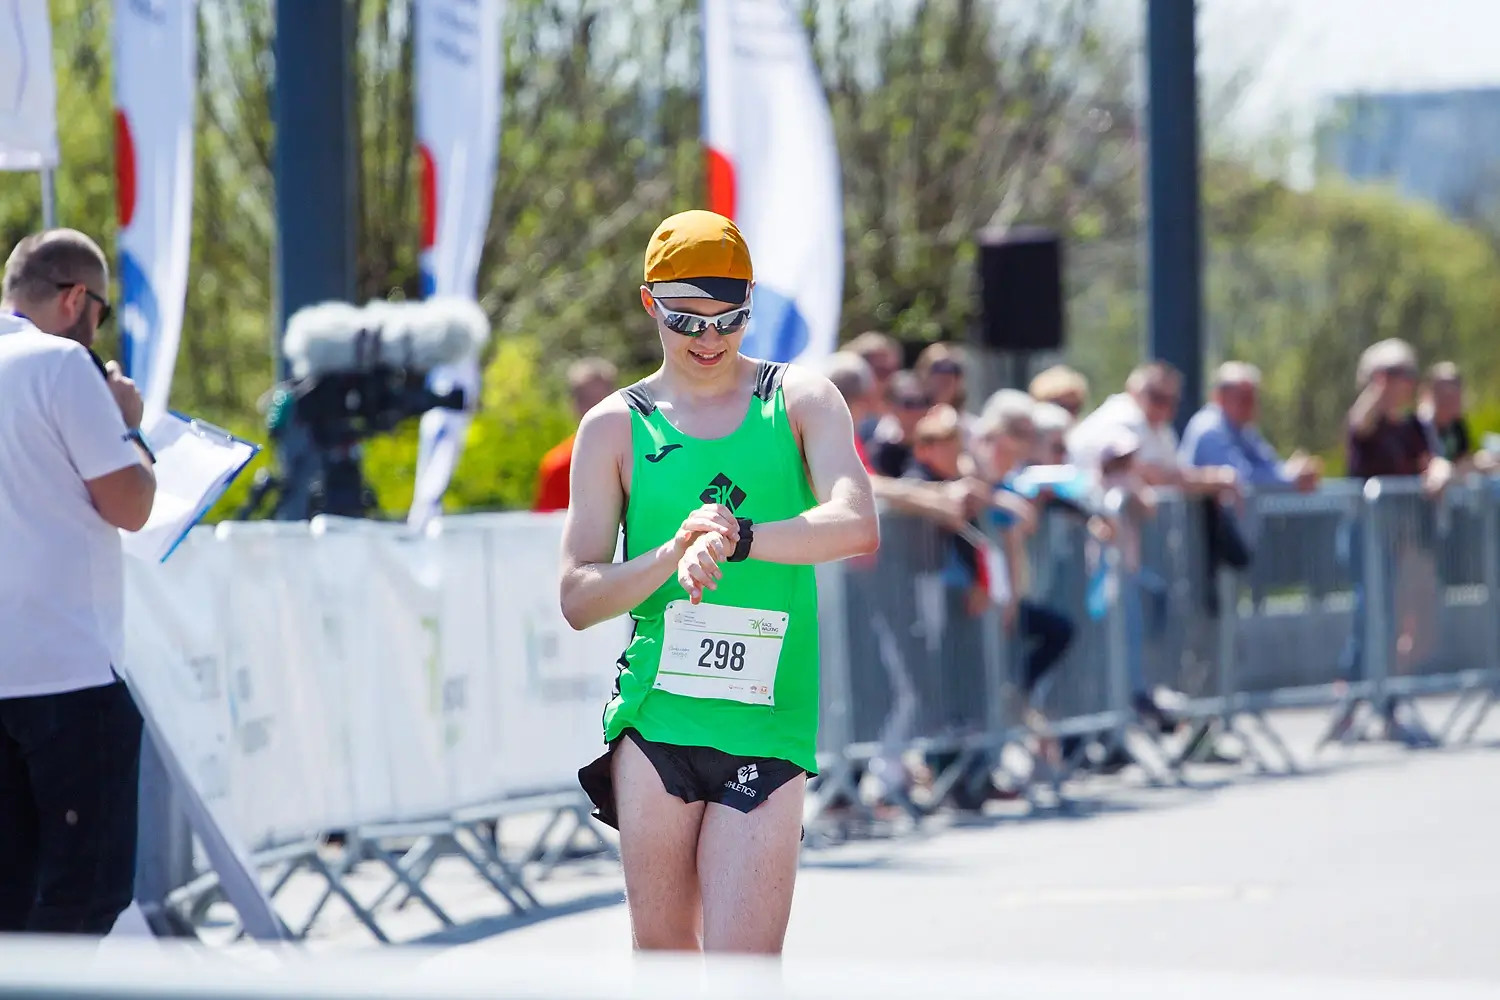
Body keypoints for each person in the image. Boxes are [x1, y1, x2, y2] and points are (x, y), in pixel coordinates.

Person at [564, 210, 878, 955]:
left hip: (767, 720)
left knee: (744, 967)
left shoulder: (798, 400)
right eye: (686, 321)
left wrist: (739, 542)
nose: (708, 341)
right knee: (666, 957)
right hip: (659, 719)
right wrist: (672, 553)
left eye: (729, 320)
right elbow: (578, 596)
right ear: (650, 304)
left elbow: (856, 521)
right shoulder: (616, 426)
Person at [0, 229, 157, 934]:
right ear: (74, 299)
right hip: (68, 675)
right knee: (79, 906)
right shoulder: (63, 366)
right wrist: (130, 427)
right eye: (102, 311)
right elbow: (131, 504)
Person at [1180, 362, 1321, 491]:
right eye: (1243, 398)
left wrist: (1293, 471)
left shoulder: (1243, 429)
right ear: (1219, 397)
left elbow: (1269, 465)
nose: (1251, 405)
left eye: (1253, 398)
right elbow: (1242, 478)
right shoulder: (1209, 430)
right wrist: (1292, 477)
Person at [533, 357, 619, 512]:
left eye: (603, 399)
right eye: (587, 400)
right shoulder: (557, 467)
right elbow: (546, 530)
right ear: (573, 405)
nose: (596, 408)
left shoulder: (644, 455)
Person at [1419, 361, 1494, 473]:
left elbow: (1461, 459)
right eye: (1443, 390)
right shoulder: (1419, 426)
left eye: (1455, 388)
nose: (1449, 394)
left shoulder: (1457, 427)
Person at [844, 331, 902, 443]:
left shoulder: (901, 413)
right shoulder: (839, 413)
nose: (889, 378)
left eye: (892, 370)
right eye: (882, 371)